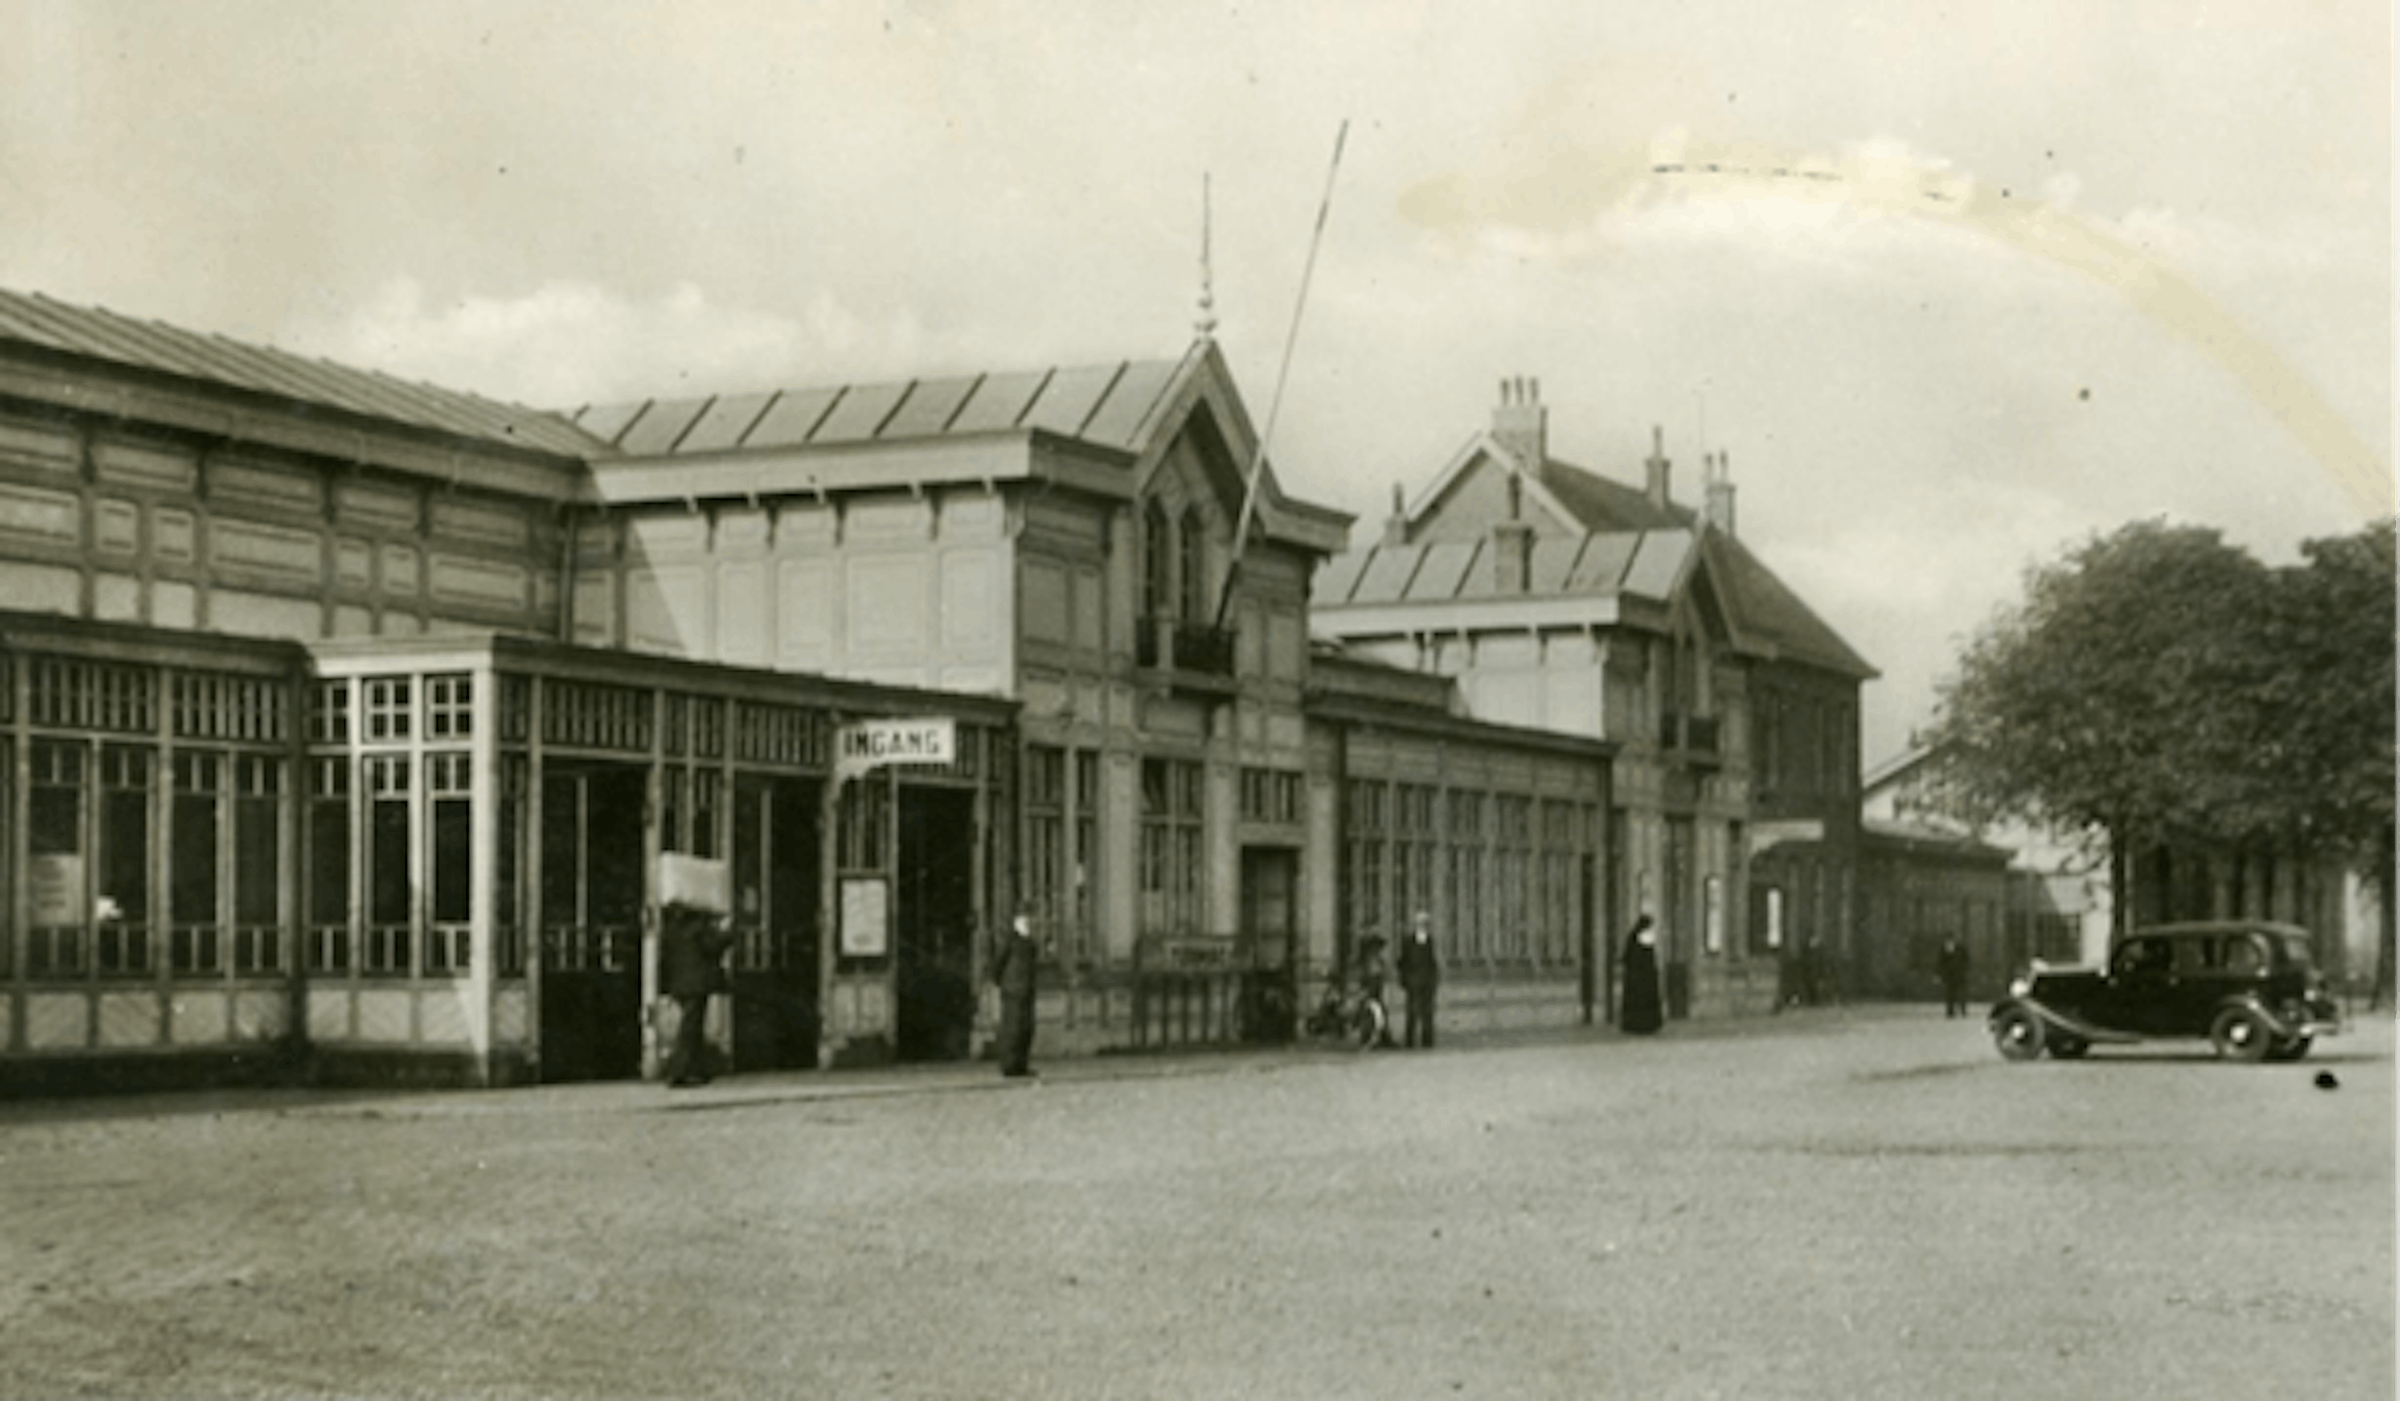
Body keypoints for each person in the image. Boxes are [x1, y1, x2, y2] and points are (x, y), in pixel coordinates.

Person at [660, 902, 734, 1088]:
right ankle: (680, 1071)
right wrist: (727, 932)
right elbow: (714, 946)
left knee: (690, 1028)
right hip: (697, 985)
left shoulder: (674, 931)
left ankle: (694, 1071)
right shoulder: (699, 929)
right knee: (691, 1030)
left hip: (680, 986)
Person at [992, 906, 1041, 1078]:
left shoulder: (1031, 943)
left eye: (1029, 921)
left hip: (1027, 990)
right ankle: (1009, 1065)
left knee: (1026, 1029)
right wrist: (1003, 984)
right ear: (1016, 922)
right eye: (1024, 921)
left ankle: (1021, 1065)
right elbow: (997, 964)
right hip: (1013, 991)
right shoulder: (1009, 941)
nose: (1028, 924)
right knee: (1012, 1029)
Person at [1396, 910, 1441, 1049]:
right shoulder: (1408, 941)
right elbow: (1403, 961)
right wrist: (1404, 979)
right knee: (1412, 1011)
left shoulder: (1430, 940)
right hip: (1413, 980)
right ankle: (1409, 1040)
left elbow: (1432, 961)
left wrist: (1434, 979)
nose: (1422, 926)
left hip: (1427, 980)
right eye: (1420, 923)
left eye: (1425, 923)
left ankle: (1427, 1040)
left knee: (1427, 1012)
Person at [1619, 915, 1663, 1035]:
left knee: (1635, 1001)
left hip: (1633, 978)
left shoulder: (1632, 938)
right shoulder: (1645, 938)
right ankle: (1647, 1024)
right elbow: (1650, 958)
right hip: (1645, 978)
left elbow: (1626, 957)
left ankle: (1633, 1024)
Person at [1937, 934, 1970, 1018]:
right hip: (1949, 976)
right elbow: (1940, 963)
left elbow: (1966, 960)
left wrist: (1964, 969)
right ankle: (1950, 1011)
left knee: (1961, 994)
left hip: (1959, 975)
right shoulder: (1944, 951)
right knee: (1950, 994)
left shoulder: (1960, 949)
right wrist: (1940, 974)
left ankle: (1963, 1010)